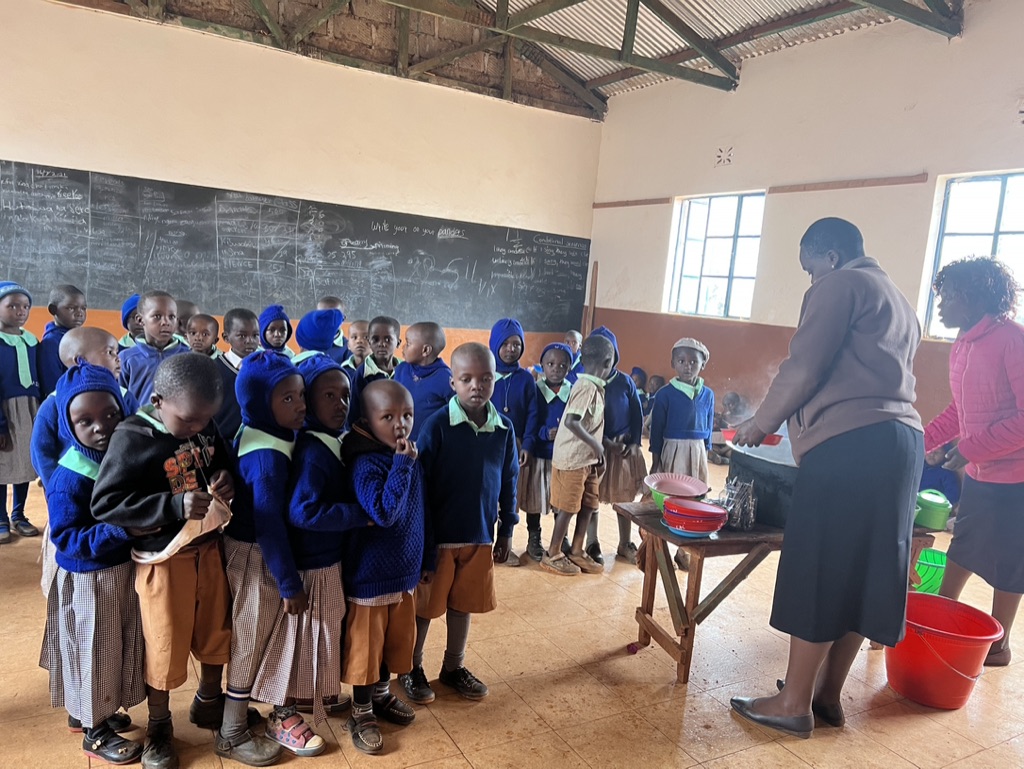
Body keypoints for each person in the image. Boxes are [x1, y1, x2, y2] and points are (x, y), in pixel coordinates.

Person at [729, 218, 923, 740]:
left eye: (810, 268)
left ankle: (792, 703)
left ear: (831, 257)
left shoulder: (841, 285)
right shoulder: (899, 300)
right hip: (900, 444)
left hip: (851, 445)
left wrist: (761, 422)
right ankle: (826, 694)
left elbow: (805, 365)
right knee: (864, 568)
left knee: (820, 564)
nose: (811, 280)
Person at [91, 354, 248, 769]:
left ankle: (209, 701)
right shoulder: (133, 437)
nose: (199, 428)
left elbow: (220, 462)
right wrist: (172, 505)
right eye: (190, 420)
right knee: (164, 643)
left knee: (217, 631)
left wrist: (226, 479)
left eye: (206, 420)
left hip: (209, 549)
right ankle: (159, 725)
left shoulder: (203, 422)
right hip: (163, 560)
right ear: (158, 401)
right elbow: (105, 504)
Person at [399, 342, 518, 704]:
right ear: (453, 382)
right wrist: (420, 541)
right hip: (439, 540)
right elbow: (420, 486)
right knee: (425, 609)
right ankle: (411, 669)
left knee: (462, 604)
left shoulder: (503, 428)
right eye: (466, 379)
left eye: (485, 379)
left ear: (495, 380)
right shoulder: (437, 426)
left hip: (479, 536)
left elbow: (509, 480)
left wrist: (507, 529)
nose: (476, 386)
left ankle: (453, 667)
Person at [38, 363, 145, 765]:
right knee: (92, 649)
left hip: (116, 574)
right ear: (68, 425)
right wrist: (122, 530)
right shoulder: (69, 477)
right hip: (89, 580)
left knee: (108, 649)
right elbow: (68, 539)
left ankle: (89, 711)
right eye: (85, 421)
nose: (101, 427)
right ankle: (94, 733)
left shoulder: (116, 458)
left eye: (111, 414)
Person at [926, 256, 1024, 666]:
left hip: (1016, 477)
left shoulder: (1012, 340)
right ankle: (937, 619)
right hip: (983, 473)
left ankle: (999, 645)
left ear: (972, 298)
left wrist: (971, 448)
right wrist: (923, 439)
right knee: (964, 546)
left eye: (948, 296)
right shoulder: (963, 344)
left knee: (1010, 561)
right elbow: (961, 409)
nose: (941, 305)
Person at [221, 351, 319, 760]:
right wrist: (289, 583)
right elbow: (269, 527)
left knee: (256, 633)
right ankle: (231, 731)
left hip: (263, 552)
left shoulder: (268, 429)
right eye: (287, 399)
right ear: (260, 403)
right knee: (250, 637)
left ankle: (226, 711)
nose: (301, 406)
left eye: (301, 395)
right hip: (255, 554)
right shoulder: (265, 460)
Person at [341, 380, 427, 754]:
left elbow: (419, 512)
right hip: (371, 579)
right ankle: (361, 712)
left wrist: (426, 559)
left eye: (407, 415)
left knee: (394, 643)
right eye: (388, 417)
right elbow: (383, 512)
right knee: (367, 650)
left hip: (404, 573)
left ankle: (380, 695)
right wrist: (402, 465)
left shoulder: (406, 457)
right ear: (366, 421)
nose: (400, 424)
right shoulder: (366, 463)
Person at [284, 355, 363, 721]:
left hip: (328, 557)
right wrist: (358, 516)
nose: (340, 404)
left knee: (327, 626)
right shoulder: (313, 451)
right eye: (328, 396)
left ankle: (323, 691)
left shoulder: (330, 441)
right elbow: (303, 512)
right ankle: (304, 697)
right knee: (316, 630)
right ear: (308, 402)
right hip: (314, 562)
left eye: (345, 395)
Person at [541, 335, 614, 576]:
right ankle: (553, 553)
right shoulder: (585, 387)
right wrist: (596, 445)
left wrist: (596, 450)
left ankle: (576, 550)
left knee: (589, 504)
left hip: (587, 459)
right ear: (608, 363)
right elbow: (572, 421)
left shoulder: (596, 387)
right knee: (569, 507)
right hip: (572, 459)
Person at [650, 337, 715, 568]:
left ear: (703, 364)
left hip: (697, 452)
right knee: (672, 498)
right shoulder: (665, 394)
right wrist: (656, 461)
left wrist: (706, 452)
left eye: (693, 362)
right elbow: (656, 430)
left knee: (695, 499)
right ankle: (662, 548)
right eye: (681, 361)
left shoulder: (708, 394)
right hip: (674, 449)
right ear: (673, 364)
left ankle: (683, 550)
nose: (687, 366)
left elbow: (708, 426)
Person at [585, 326, 646, 565]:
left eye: (607, 358)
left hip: (621, 450)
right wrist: (603, 442)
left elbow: (637, 414)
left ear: (614, 357)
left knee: (624, 497)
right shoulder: (585, 382)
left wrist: (634, 442)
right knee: (591, 495)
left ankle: (624, 543)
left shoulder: (625, 382)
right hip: (595, 448)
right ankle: (592, 542)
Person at [488, 318, 539, 555]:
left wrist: (527, 444)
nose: (511, 349)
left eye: (516, 344)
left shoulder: (526, 379)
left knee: (510, 492)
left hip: (515, 445)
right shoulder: (486, 375)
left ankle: (505, 539)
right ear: (494, 344)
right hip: (487, 442)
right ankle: (485, 540)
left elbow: (533, 414)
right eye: (505, 343)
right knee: (488, 491)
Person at [523, 342, 572, 562]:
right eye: (550, 364)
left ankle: (561, 537)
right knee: (536, 496)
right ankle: (534, 537)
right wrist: (544, 433)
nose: (556, 369)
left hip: (563, 457)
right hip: (540, 453)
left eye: (562, 365)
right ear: (541, 365)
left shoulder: (573, 391)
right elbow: (529, 419)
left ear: (569, 368)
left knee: (561, 498)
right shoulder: (535, 390)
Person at [0, 281, 41, 543]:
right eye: (12, 306)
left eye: (25, 306)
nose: (20, 311)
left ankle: (19, 514)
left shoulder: (32, 342)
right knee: (3, 466)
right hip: (4, 410)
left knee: (25, 463)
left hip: (29, 409)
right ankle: (0, 518)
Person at [119, 290, 188, 404]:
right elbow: (120, 398)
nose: (165, 322)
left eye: (171, 317)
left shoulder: (187, 357)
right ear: (140, 320)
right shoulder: (126, 358)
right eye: (157, 316)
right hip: (138, 416)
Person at [394, 321, 453, 441]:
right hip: (400, 439)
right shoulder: (401, 369)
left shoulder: (446, 379)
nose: (403, 347)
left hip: (430, 443)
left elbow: (456, 412)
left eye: (408, 343)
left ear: (425, 350)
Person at [215, 308, 260, 443]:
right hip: (223, 442)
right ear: (226, 338)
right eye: (242, 336)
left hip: (256, 441)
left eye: (255, 335)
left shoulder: (265, 367)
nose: (250, 341)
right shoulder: (214, 370)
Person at [348, 315, 402, 426]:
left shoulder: (405, 370)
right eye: (375, 339)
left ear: (398, 343)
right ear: (369, 342)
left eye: (388, 339)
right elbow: (354, 411)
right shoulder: (363, 374)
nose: (381, 344)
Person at [38, 284, 88, 397]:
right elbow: (52, 384)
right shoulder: (51, 343)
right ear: (53, 310)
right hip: (65, 399)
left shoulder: (84, 338)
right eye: (71, 308)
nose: (79, 313)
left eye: (83, 308)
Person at [919, 444, 962, 508]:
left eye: (936, 452)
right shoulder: (919, 467)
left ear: (945, 454)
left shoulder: (947, 472)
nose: (932, 455)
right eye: (929, 450)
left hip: (935, 507)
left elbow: (952, 495)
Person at [316, 296, 351, 366]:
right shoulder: (308, 343)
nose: (327, 321)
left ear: (343, 319)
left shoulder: (348, 347)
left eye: (333, 317)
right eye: (322, 316)